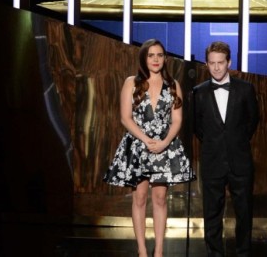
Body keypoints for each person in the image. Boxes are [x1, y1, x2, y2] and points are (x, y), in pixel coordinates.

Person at [104, 38, 195, 257]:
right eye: (151, 55)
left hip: (164, 146)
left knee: (160, 198)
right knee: (140, 197)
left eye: (159, 55)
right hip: (138, 145)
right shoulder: (131, 82)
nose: (155, 59)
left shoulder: (173, 85)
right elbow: (125, 118)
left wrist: (164, 142)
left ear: (165, 59)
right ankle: (142, 251)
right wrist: (146, 140)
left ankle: (159, 251)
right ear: (144, 58)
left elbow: (177, 120)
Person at [193, 41, 259, 256]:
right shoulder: (198, 92)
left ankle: (243, 253)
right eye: (212, 63)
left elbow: (253, 120)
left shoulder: (246, 89)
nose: (216, 67)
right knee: (212, 212)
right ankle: (214, 253)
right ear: (206, 64)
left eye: (220, 62)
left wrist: (236, 141)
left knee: (244, 211)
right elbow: (197, 126)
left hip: (240, 160)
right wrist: (215, 143)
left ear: (229, 62)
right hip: (212, 160)